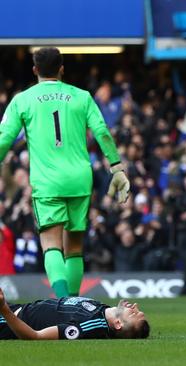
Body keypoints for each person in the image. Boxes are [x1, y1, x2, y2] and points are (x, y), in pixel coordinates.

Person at [0, 47, 130, 298]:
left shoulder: (23, 99)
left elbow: (4, 139)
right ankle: (74, 304)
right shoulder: (82, 96)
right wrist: (117, 168)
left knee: (51, 246)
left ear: (35, 70)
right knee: (74, 249)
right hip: (80, 180)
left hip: (48, 182)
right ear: (61, 69)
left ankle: (63, 305)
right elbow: (102, 131)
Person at [0, 287, 149, 340]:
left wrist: (4, 309)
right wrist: (121, 308)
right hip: (18, 308)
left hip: (7, 321)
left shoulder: (90, 325)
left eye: (134, 313)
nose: (135, 306)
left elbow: (35, 336)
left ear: (118, 324)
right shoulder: (103, 311)